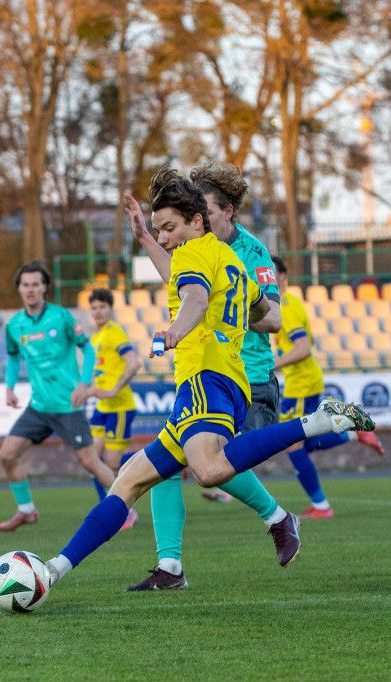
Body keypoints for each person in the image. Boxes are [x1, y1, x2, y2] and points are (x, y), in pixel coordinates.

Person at [43, 167, 376, 589]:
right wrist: (145, 238)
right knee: (129, 480)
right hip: (227, 382)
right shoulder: (227, 258)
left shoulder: (195, 255)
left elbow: (196, 296)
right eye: (158, 230)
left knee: (209, 469)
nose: (164, 238)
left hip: (206, 379)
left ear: (196, 221)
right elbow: (265, 313)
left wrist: (174, 332)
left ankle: (320, 423)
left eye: (168, 228)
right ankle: (53, 570)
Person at [124, 160, 298, 591]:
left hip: (248, 376)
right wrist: (147, 239)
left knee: (210, 463)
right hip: (205, 372)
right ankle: (170, 567)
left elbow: (274, 319)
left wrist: (224, 308)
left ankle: (278, 516)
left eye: (210, 210)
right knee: (171, 466)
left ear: (223, 214)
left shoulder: (251, 252)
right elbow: (183, 286)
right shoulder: (192, 251)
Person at [0, 261, 117, 532]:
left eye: (35, 284)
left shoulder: (61, 317)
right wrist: (9, 386)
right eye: (25, 285)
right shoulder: (14, 325)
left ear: (44, 287)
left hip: (68, 405)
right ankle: (27, 510)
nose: (30, 289)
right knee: (7, 454)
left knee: (90, 462)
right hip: (39, 406)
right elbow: (14, 358)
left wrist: (84, 384)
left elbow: (88, 351)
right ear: (19, 288)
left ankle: (125, 509)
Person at [273, 256, 385, 519]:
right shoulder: (291, 302)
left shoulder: (285, 307)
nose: (264, 276)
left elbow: (303, 348)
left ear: (283, 276)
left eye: (271, 272)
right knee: (307, 441)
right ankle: (354, 433)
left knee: (293, 444)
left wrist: (272, 365)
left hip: (300, 384)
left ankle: (322, 506)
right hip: (307, 379)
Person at [86, 287, 142, 530]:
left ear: (110, 309)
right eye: (95, 307)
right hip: (102, 407)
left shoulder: (113, 333)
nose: (98, 311)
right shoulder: (96, 337)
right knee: (91, 459)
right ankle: (108, 509)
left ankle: (126, 509)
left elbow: (134, 362)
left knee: (110, 463)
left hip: (119, 407)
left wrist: (114, 390)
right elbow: (100, 375)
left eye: (102, 307)